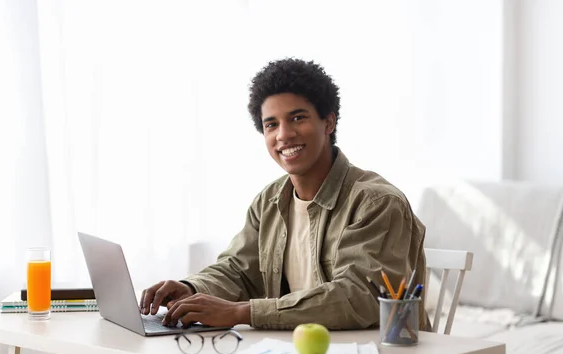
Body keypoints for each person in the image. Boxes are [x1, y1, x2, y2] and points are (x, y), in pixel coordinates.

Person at [140, 58, 430, 331]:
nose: (284, 135)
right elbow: (238, 270)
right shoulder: (269, 201)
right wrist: (191, 288)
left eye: (298, 118)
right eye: (271, 124)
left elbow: (359, 297)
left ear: (328, 123)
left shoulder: (376, 203)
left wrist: (243, 312)